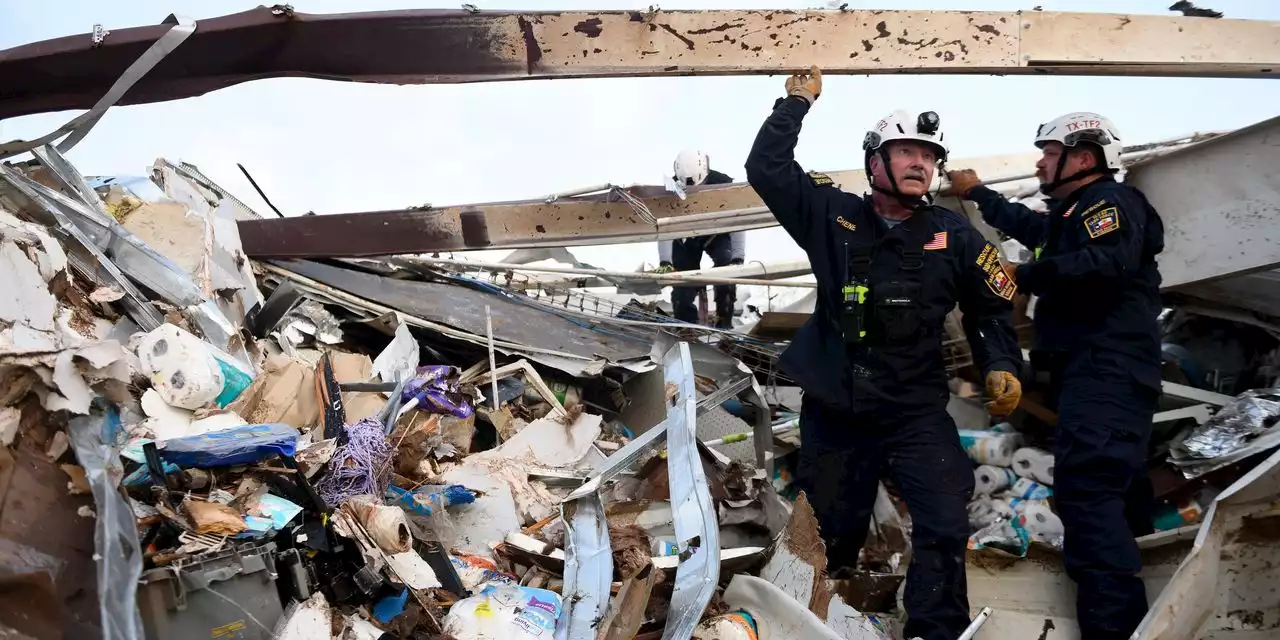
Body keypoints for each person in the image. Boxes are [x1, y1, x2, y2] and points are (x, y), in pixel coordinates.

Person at [745, 66, 1023, 640]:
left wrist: (1000, 364)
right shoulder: (833, 216)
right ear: (875, 161)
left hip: (914, 411)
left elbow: (992, 310)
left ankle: (934, 629)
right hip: (838, 407)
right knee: (825, 535)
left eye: (929, 154)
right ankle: (804, 621)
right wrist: (795, 103)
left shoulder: (957, 236)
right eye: (907, 151)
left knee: (946, 517)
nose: (922, 162)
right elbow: (767, 169)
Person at [947, 112, 1165, 640]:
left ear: (1083, 157)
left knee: (1088, 495)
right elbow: (1035, 229)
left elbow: (1104, 262)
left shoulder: (1111, 204)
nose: (1040, 162)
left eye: (1048, 153)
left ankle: (1113, 629)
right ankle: (1149, 608)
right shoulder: (1072, 216)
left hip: (1106, 370)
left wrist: (1025, 274)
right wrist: (978, 194)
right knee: (1114, 494)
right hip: (1093, 374)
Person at [656, 149, 746, 328]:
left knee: (726, 269)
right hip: (686, 237)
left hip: (715, 233)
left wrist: (738, 257)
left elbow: (738, 220)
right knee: (682, 284)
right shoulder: (670, 189)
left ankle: (724, 323)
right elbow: (664, 225)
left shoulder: (723, 185)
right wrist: (665, 261)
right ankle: (686, 329)